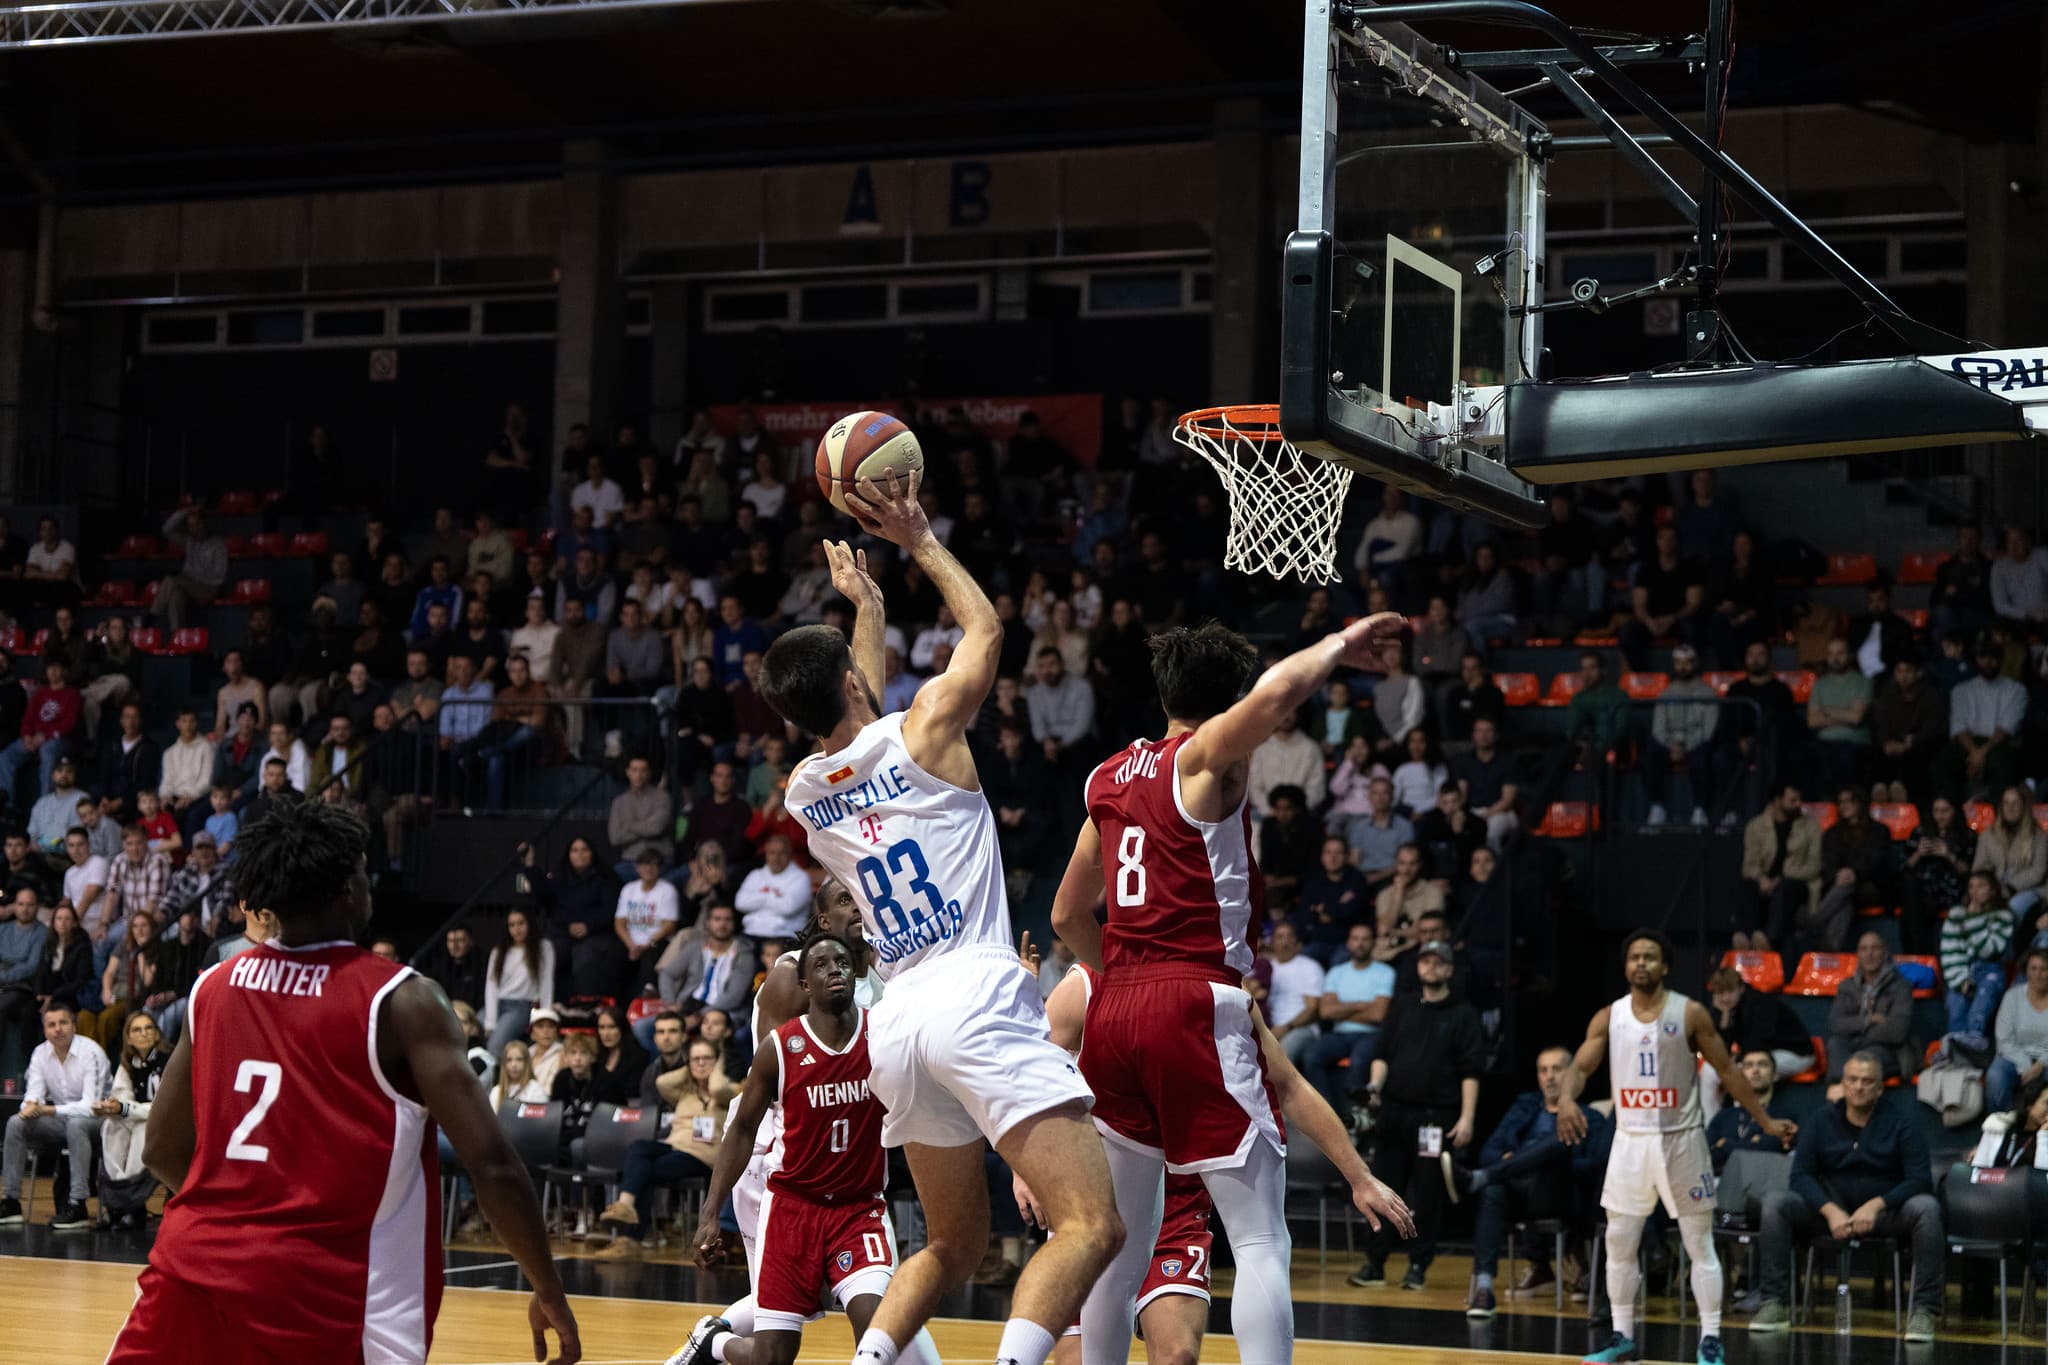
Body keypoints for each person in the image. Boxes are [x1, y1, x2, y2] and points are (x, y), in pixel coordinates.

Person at [767, 476, 1120, 1365]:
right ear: (855, 680)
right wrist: (919, 540)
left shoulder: (804, 795)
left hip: (898, 1023)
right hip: (974, 990)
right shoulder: (926, 726)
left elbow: (854, 724)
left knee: (952, 1244)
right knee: (1091, 1224)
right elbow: (987, 630)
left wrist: (869, 612)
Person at [1051, 606, 1411, 1365]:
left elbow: (1065, 914)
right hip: (1192, 995)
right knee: (1259, 1238)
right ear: (1226, 701)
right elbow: (1277, 696)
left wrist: (1124, 980)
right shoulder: (1205, 757)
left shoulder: (1108, 777)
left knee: (1118, 1245)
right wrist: (1338, 645)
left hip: (1116, 1006)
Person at [101, 800, 579, 1365]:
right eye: (362, 869)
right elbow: (493, 1165)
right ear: (347, 890)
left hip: (191, 1273)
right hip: (329, 1295)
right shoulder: (402, 1000)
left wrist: (244, 1219)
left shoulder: (212, 988)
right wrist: (547, 1287)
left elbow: (161, 1147)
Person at [1034, 952, 1413, 1365]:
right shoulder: (1087, 984)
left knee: (1178, 1355)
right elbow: (1027, 1074)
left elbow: (1289, 1085)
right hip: (1100, 1202)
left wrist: (1359, 1176)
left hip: (1177, 1205)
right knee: (1077, 1359)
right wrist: (1030, 1170)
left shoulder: (1222, 992)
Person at [1557, 929, 1795, 1365]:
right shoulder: (1610, 1016)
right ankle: (1622, 1336)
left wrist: (1765, 1120)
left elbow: (1728, 1070)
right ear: (1625, 966)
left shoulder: (1689, 1013)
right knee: (1619, 1241)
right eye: (1634, 957)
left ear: (1665, 966)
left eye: (1650, 957)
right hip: (1631, 1141)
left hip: (1681, 1140)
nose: (1641, 963)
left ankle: (1711, 1338)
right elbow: (1580, 1067)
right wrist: (1568, 1099)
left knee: (1698, 1243)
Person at [673, 934, 908, 1365]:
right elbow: (742, 1130)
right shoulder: (779, 1048)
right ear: (804, 985)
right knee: (772, 1358)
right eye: (821, 965)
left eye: (841, 963)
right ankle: (715, 1343)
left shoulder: (883, 1033)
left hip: (858, 1210)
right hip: (792, 1210)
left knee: (879, 1333)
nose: (834, 970)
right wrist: (710, 1214)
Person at [1746, 1051, 1940, 1342]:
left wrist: (1877, 1205)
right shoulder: (1821, 1120)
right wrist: (1829, 1210)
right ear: (1843, 1084)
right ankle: (1774, 1304)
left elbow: (1920, 1179)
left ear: (1880, 1088)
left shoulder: (1902, 1122)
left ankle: (1923, 1311)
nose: (1859, 1087)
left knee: (1927, 1208)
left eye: (1867, 1081)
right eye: (1852, 1079)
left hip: (1883, 1214)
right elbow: (1800, 1175)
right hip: (1830, 1214)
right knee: (1776, 1203)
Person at [1347, 940, 1483, 1292]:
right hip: (1394, 1111)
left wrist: (1467, 1117)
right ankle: (1375, 1263)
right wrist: (1374, 1088)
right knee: (1382, 1186)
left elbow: (1471, 1071)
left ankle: (1419, 1264)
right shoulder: (1403, 1005)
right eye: (1426, 961)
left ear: (1450, 969)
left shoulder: (1464, 1014)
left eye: (1439, 962)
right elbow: (1382, 1054)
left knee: (1427, 1193)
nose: (1431, 967)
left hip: (1435, 1116)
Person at [1449, 1046, 1613, 1316]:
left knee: (1560, 1141)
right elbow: (1488, 1150)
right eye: (1543, 1070)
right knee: (1493, 1191)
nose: (1550, 1077)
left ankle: (1481, 1178)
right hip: (1520, 1192)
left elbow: (1595, 1166)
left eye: (1557, 1069)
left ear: (1572, 1074)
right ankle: (1484, 1289)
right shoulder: (1524, 1108)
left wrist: (1548, 1161)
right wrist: (1512, 1161)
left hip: (1559, 1194)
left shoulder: (1589, 1117)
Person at [595, 1036, 736, 1259]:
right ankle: (625, 1207)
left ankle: (629, 1238)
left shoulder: (728, 1093)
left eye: (707, 1058)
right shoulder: (686, 1092)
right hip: (674, 1147)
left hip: (702, 1157)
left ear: (717, 1061)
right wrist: (690, 1068)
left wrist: (716, 1068)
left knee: (644, 1173)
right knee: (639, 1148)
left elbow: (718, 1088)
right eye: (695, 1059)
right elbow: (662, 1082)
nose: (701, 1063)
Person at [0, 999, 110, 1229]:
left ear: (74, 1025)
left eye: (63, 1023)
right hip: (62, 1121)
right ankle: (11, 1202)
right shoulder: (40, 1053)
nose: (58, 1029)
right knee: (16, 1123)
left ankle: (78, 1204)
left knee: (77, 1123)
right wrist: (30, 1105)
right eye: (51, 1025)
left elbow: (91, 1106)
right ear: (45, 1030)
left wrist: (48, 1109)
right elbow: (34, 1094)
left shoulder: (91, 1052)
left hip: (100, 1122)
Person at [1700, 967, 1815, 1116]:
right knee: (1709, 1071)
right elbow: (1721, 1049)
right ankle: (1710, 1125)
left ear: (1741, 989)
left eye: (1730, 991)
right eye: (1720, 993)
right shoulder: (1723, 1010)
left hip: (1795, 1053)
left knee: (1745, 1069)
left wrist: (1736, 1061)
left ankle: (1740, 1121)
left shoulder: (1761, 1003)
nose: (1725, 998)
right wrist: (1724, 1018)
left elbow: (1760, 1043)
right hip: (1761, 1052)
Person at [96, 1010, 169, 1231]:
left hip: (168, 1122)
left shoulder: (169, 1059)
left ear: (157, 1034)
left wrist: (125, 1108)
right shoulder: (128, 1063)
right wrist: (111, 1107)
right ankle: (118, 1199)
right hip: (139, 1116)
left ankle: (132, 1205)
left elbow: (163, 1106)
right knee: (111, 1125)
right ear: (128, 1038)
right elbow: (122, 1099)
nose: (143, 1033)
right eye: (137, 1030)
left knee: (141, 1129)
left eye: (149, 1028)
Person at [1933, 639, 2026, 803]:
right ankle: (1950, 814)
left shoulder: (2016, 689)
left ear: (2001, 660)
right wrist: (1974, 752)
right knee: (1942, 764)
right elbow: (1959, 727)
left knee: (2004, 766)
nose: (1988, 663)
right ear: (1977, 659)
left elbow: (2005, 729)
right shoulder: (1961, 690)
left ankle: (1999, 816)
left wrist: (1980, 754)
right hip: (1968, 743)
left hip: (1997, 745)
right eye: (1983, 657)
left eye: (1993, 658)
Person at [1735, 782, 1820, 953]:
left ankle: (1769, 940)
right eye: (1793, 800)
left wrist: (1780, 878)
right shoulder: (1756, 826)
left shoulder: (1810, 826)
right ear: (1777, 800)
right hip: (1766, 883)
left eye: (1799, 799)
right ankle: (1748, 936)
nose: (1798, 804)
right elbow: (1749, 865)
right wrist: (1761, 879)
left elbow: (1814, 866)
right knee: (1747, 885)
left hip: (1797, 883)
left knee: (1784, 887)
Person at [1643, 644, 1722, 825]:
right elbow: (1659, 728)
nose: (1683, 667)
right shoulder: (1666, 694)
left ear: (1695, 663)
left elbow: (1708, 730)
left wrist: (1685, 746)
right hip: (1670, 744)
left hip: (1697, 742)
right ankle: (1657, 807)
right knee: (1650, 753)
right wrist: (1673, 745)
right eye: (1678, 663)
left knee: (1704, 754)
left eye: (1687, 662)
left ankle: (1700, 809)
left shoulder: (1708, 693)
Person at [1809, 787, 1890, 955]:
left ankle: (1814, 922)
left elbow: (1877, 862)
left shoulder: (1879, 831)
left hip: (1870, 886)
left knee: (1847, 888)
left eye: (1849, 801)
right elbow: (1827, 864)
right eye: (1840, 802)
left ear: (1860, 803)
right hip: (1841, 888)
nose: (1844, 806)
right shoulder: (1832, 833)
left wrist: (1855, 873)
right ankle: (1831, 948)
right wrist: (1838, 875)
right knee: (1846, 899)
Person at [1941, 870, 2016, 1037]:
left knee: (1977, 1018)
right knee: (1956, 1014)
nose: (1975, 891)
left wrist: (1973, 919)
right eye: (1971, 886)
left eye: (1981, 886)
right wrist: (1960, 980)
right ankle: (1956, 1051)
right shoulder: (1956, 914)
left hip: (1990, 970)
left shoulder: (2003, 916)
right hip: (1961, 970)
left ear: (1993, 890)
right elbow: (1950, 951)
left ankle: (1974, 1047)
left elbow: (1990, 951)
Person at [0, 657, 81, 802]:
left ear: (64, 671)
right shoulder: (40, 693)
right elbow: (27, 719)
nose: (52, 671)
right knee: (6, 756)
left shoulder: (72, 694)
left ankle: (46, 804)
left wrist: (45, 736)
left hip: (59, 739)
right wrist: (27, 736)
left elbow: (69, 724)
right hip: (35, 738)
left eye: (56, 668)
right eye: (50, 668)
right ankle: (6, 805)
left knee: (47, 751)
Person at [483, 907, 557, 1054]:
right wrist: (490, 1020)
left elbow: (546, 983)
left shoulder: (543, 948)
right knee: (469, 1029)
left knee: (495, 1046)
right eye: (512, 925)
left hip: (521, 1006)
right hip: (497, 1004)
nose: (517, 929)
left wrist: (545, 1016)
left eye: (521, 923)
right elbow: (491, 987)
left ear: (530, 923)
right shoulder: (498, 951)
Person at [1972, 783, 2046, 930]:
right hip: (1994, 889)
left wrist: (2010, 888)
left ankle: (2006, 945)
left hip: (2029, 890)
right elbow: (1979, 868)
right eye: (2006, 803)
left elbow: (2038, 872)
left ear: (2024, 806)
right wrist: (1989, 888)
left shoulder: (2038, 836)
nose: (2010, 808)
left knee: (2013, 906)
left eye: (2015, 803)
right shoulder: (1988, 836)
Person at [1986, 946, 2048, 1118]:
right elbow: (2004, 1040)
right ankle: (2004, 1124)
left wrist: (2041, 1064)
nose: (2038, 974)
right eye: (2033, 969)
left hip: (2045, 1058)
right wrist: (2026, 1066)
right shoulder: (2012, 997)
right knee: (1995, 1076)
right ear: (2026, 971)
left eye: (2044, 969)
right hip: (2015, 1056)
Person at [1808, 637, 1873, 793]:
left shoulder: (1863, 682)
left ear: (1849, 656)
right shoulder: (1819, 684)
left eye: (1840, 653)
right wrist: (1845, 713)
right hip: (1824, 744)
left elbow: (1856, 718)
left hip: (1853, 743)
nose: (1835, 658)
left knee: (1844, 756)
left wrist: (1827, 712)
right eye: (1831, 654)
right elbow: (1812, 721)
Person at [1261, 921, 1326, 1069]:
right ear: (1272, 942)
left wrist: (1285, 1028)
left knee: (1282, 1055)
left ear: (1297, 941)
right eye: (1280, 937)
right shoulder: (1265, 967)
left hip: (1301, 1028)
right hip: (1268, 1027)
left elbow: (1312, 1009)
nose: (1285, 941)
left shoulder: (1310, 966)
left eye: (1289, 936)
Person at [615, 849, 681, 987]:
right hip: (631, 942)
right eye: (644, 864)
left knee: (651, 958)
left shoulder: (667, 890)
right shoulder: (629, 889)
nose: (648, 868)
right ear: (637, 868)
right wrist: (631, 945)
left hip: (656, 941)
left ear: (660, 868)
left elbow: (670, 925)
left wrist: (646, 944)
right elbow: (619, 923)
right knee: (612, 956)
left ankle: (647, 995)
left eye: (653, 864)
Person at [735, 835, 812, 940]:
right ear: (766, 854)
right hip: (751, 933)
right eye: (772, 853)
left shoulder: (801, 877)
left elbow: (788, 907)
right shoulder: (755, 875)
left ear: (790, 855)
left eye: (782, 853)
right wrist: (774, 897)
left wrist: (758, 899)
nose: (776, 858)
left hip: (785, 936)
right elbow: (740, 903)